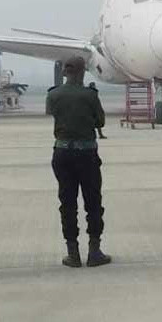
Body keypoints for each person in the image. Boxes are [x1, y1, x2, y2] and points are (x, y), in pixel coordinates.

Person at [47, 56, 111, 268]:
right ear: (83, 72)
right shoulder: (89, 96)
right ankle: (94, 251)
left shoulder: (53, 94)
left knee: (67, 203)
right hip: (86, 154)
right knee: (93, 202)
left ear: (65, 72)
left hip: (62, 153)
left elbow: (52, 113)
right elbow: (100, 121)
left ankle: (72, 253)